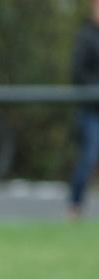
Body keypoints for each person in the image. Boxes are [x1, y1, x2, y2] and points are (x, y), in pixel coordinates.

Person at [69, 0, 99, 220]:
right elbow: (78, 74)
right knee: (88, 157)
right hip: (91, 110)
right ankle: (74, 206)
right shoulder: (86, 37)